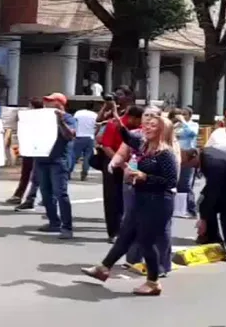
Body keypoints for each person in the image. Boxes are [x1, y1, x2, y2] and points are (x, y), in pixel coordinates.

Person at [82, 114, 178, 296]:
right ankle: (103, 268)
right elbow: (128, 138)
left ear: (162, 130)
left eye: (153, 126)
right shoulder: (144, 146)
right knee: (125, 235)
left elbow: (171, 181)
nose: (147, 128)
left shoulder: (165, 153)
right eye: (146, 125)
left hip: (157, 202)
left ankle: (153, 282)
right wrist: (120, 126)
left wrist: (145, 177)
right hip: (141, 198)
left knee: (146, 242)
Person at [186, 146, 226, 261]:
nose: (188, 167)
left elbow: (213, 191)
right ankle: (213, 241)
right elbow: (210, 191)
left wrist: (203, 220)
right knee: (206, 206)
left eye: (188, 163)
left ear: (194, 156)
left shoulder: (212, 163)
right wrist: (203, 216)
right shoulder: (206, 156)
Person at [99, 103, 144, 242]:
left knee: (133, 198)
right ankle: (114, 232)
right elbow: (106, 146)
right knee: (113, 198)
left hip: (135, 165)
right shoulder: (114, 124)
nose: (140, 123)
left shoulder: (141, 128)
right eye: (139, 120)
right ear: (131, 118)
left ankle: (131, 230)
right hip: (113, 162)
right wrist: (122, 165)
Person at [37, 93, 76, 239]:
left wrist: (60, 121)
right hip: (41, 159)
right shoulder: (42, 118)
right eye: (46, 101)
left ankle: (67, 227)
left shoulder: (68, 118)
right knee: (46, 193)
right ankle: (54, 222)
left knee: (61, 193)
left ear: (60, 103)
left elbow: (70, 135)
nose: (46, 103)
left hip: (58, 160)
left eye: (50, 101)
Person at [9, 98, 44, 208]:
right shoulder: (29, 117)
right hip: (30, 147)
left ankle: (23, 196)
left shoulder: (41, 118)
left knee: (33, 174)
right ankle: (20, 195)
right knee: (31, 173)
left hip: (35, 148)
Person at [172, 107, 200, 218]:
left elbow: (192, 133)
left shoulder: (193, 125)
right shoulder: (176, 126)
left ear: (190, 115)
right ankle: (179, 208)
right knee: (177, 182)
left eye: (185, 114)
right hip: (177, 155)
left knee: (186, 184)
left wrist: (183, 122)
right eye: (181, 114)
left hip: (188, 156)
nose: (182, 116)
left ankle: (190, 208)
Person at [71, 102, 98, 181]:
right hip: (90, 137)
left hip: (78, 136)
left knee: (74, 156)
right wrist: (94, 134)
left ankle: (68, 172)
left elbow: (74, 123)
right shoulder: (95, 115)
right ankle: (84, 174)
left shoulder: (78, 113)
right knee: (87, 157)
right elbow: (97, 126)